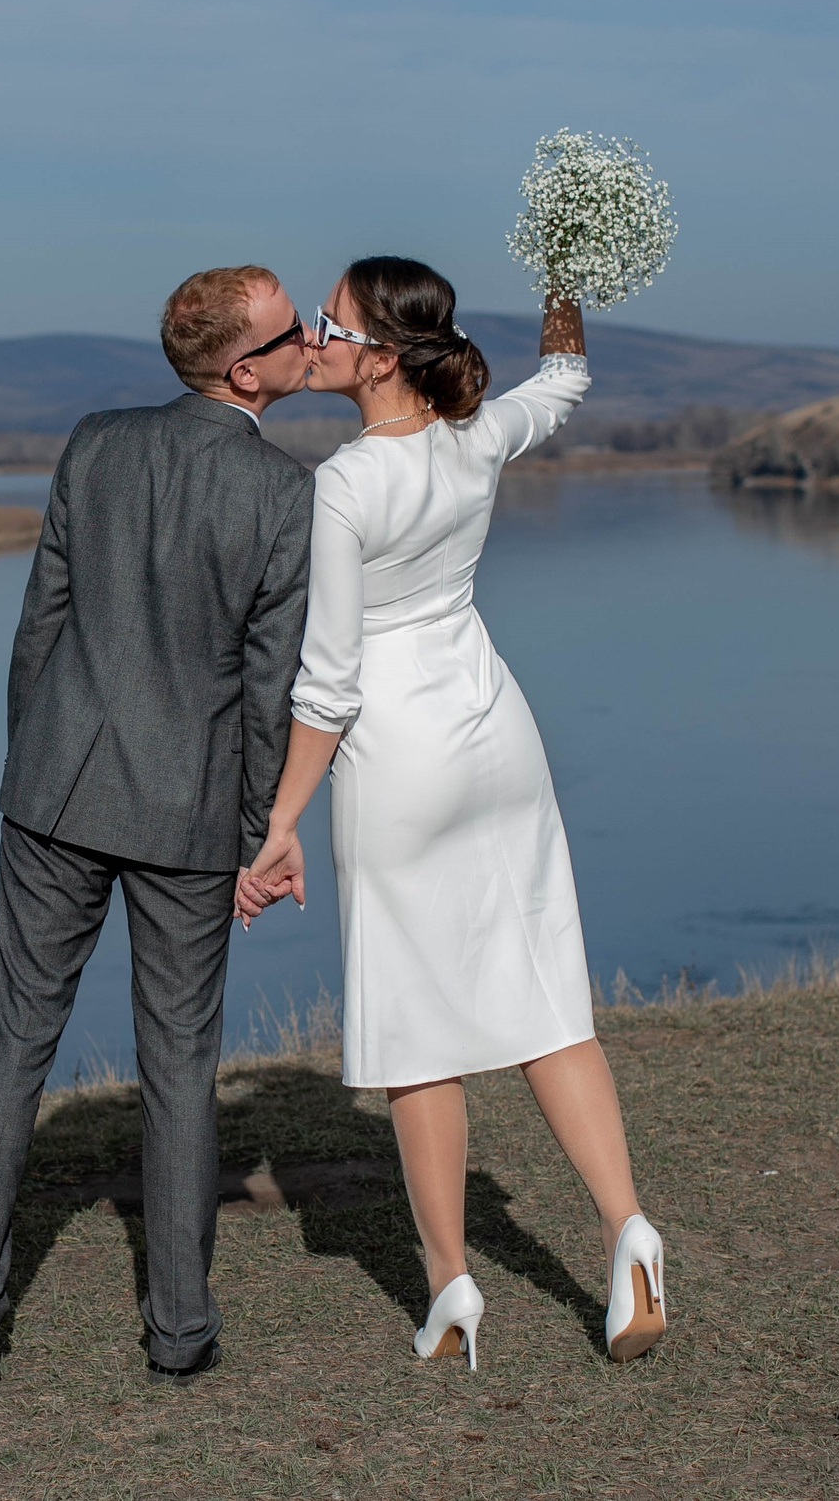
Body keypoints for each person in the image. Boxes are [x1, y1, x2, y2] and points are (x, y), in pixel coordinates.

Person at [237, 258, 668, 1369]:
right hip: (499, 739)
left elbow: (327, 683)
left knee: (420, 1034)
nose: (317, 335)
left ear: (381, 352)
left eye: (331, 322)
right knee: (545, 995)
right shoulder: (474, 439)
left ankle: (450, 1288)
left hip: (401, 761)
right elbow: (562, 382)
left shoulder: (345, 483)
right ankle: (626, 1228)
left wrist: (281, 819)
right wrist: (566, 282)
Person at [0, 265, 316, 1385]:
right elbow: (268, 686)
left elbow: (37, 628)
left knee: (14, 1044)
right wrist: (259, 834)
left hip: (54, 789)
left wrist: (34, 764)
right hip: (188, 811)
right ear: (244, 367)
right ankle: (179, 1333)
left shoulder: (94, 442)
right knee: (181, 1063)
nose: (312, 342)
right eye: (293, 331)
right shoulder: (285, 496)